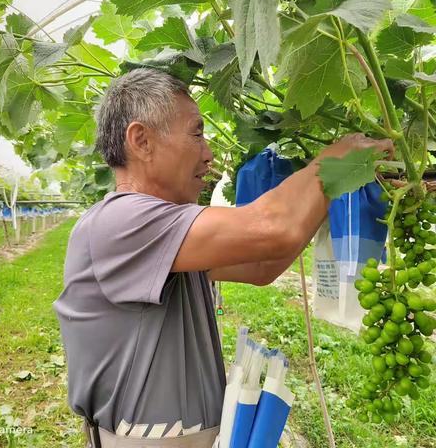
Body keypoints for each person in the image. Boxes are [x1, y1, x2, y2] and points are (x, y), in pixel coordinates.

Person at [53, 68, 394, 448]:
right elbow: (274, 226)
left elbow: (263, 265)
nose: (209, 154)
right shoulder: (119, 222)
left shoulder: (171, 238)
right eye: (197, 134)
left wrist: (337, 186)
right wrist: (337, 159)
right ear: (142, 141)